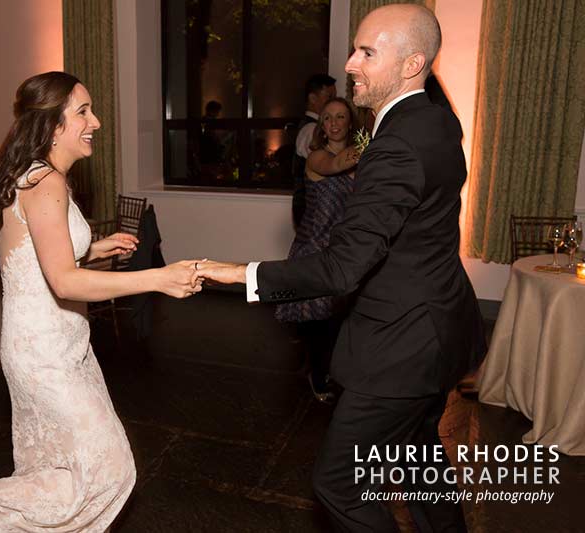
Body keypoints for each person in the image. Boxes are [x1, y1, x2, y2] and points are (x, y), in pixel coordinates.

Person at [197, 4, 486, 531]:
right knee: (421, 466)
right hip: (440, 326)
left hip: (401, 343)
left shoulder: (398, 143)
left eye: (367, 52)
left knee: (340, 484)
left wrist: (241, 273)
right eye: (355, 48)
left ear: (411, 62)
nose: (350, 62)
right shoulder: (436, 121)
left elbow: (342, 268)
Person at [0, 71, 203, 532]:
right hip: (44, 353)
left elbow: (31, 254)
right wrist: (157, 278)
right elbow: (64, 282)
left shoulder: (42, 176)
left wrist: (95, 248)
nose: (95, 121)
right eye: (83, 111)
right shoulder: (45, 182)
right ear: (52, 125)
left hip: (61, 344)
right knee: (108, 467)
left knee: (58, 469)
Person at [275, 98, 360, 403]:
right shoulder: (317, 158)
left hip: (345, 249)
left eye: (341, 117)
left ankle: (328, 369)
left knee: (339, 318)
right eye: (328, 118)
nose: (334, 123)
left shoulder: (360, 161)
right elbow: (336, 164)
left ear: (350, 123)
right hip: (315, 247)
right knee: (319, 320)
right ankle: (317, 374)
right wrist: (373, 148)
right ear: (321, 126)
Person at [291, 74, 336, 228]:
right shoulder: (310, 130)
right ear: (312, 98)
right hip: (311, 208)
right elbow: (325, 165)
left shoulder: (317, 128)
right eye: (329, 97)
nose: (332, 102)